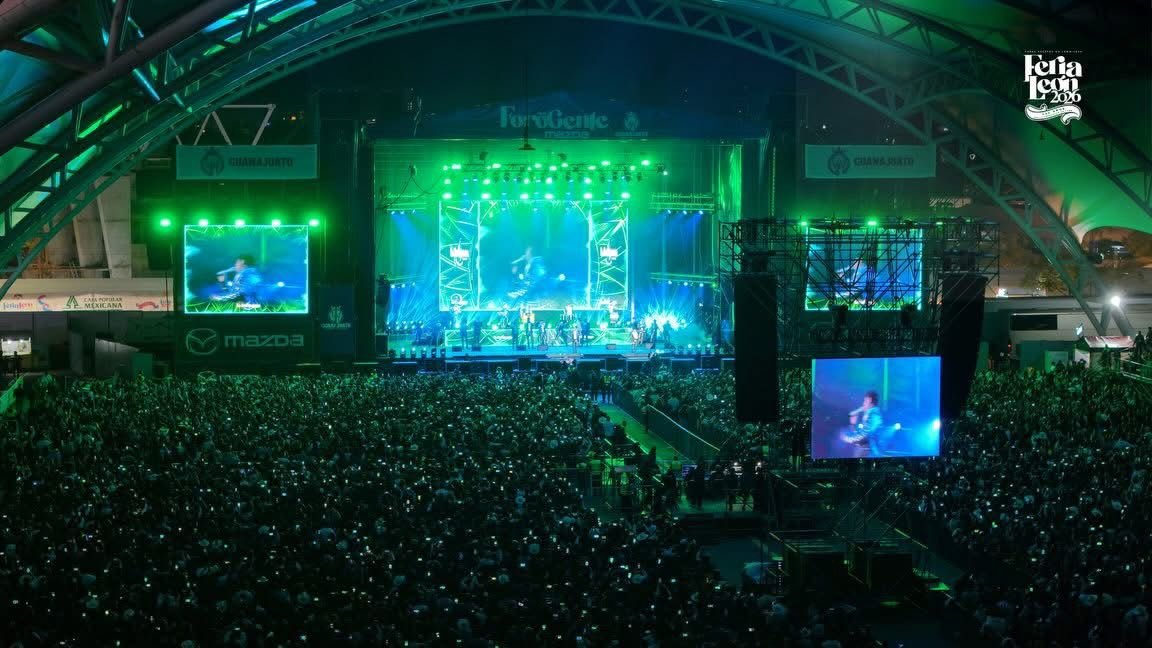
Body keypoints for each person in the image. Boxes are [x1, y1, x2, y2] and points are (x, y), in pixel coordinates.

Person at [843, 390, 885, 457]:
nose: (863, 403)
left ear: (869, 400)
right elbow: (851, 415)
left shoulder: (874, 414)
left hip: (869, 451)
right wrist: (853, 423)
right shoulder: (871, 413)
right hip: (866, 449)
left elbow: (865, 433)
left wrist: (849, 439)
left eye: (865, 400)